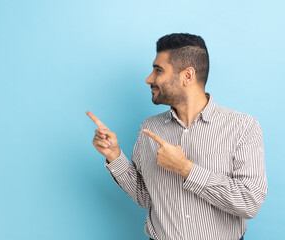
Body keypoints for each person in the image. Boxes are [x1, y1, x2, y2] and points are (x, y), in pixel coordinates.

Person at [86, 33, 267, 240]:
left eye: (158, 70)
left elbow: (249, 202)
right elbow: (146, 197)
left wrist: (185, 168)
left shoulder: (243, 127)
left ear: (187, 76)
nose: (149, 79)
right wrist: (115, 156)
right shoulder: (149, 129)